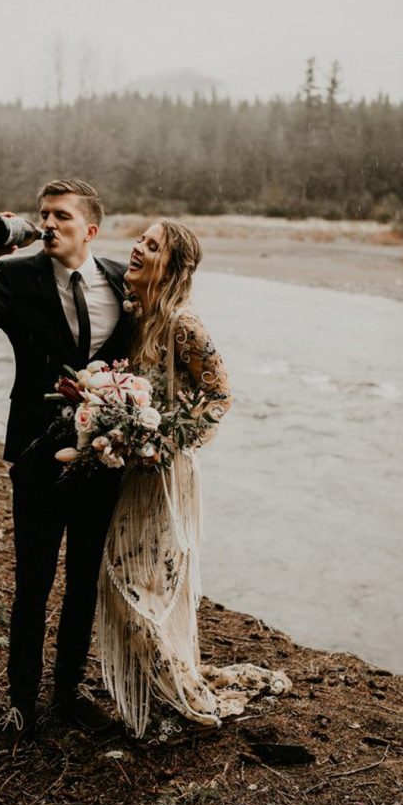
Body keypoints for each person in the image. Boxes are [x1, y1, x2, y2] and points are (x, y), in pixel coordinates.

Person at [0, 179, 131, 750]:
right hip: (36, 455)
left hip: (104, 457)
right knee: (32, 583)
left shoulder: (124, 282)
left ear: (90, 230)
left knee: (82, 585)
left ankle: (69, 694)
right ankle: (21, 704)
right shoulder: (15, 276)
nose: (48, 224)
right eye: (43, 214)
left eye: (62, 217)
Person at [97, 219, 291, 738]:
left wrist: (164, 439)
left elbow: (220, 397)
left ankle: (173, 691)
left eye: (153, 245)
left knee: (143, 582)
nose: (138, 246)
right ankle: (158, 683)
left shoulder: (185, 325)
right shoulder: (136, 315)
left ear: (174, 266)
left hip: (166, 472)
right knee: (125, 575)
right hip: (135, 471)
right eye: (140, 238)